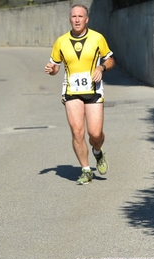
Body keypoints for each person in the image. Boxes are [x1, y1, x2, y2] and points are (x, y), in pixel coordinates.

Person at [44, 4, 115, 185]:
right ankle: (85, 170)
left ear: (86, 19)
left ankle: (98, 151)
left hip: (93, 91)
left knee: (95, 134)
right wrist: (52, 69)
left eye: (80, 16)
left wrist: (101, 66)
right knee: (77, 132)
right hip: (71, 92)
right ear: (70, 19)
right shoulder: (61, 41)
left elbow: (110, 59)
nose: (77, 19)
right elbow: (56, 67)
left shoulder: (97, 38)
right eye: (74, 16)